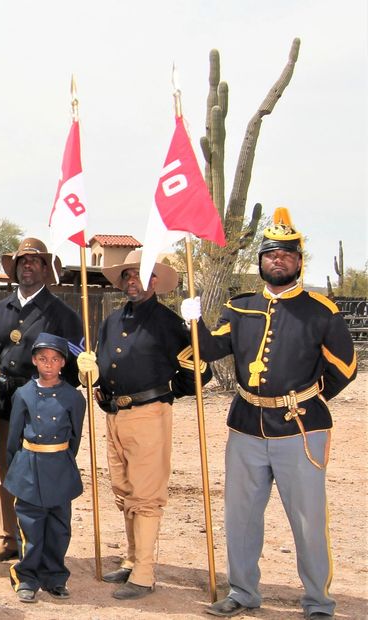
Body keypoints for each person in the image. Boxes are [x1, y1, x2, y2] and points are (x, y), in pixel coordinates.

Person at [182, 208, 357, 620]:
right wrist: (191, 323)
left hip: (300, 429)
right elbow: (209, 350)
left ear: (299, 261)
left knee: (308, 521)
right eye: (270, 254)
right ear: (260, 260)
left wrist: (307, 399)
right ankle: (243, 592)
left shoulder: (321, 311)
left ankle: (318, 602)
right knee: (240, 517)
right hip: (245, 427)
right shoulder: (240, 308)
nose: (277, 260)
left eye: (286, 254)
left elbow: (345, 368)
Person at [75, 251, 211, 600]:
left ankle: (145, 573)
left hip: (150, 415)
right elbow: (107, 362)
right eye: (127, 275)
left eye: (140, 275)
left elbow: (199, 372)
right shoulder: (112, 320)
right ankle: (132, 558)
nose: (132, 281)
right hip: (114, 415)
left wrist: (165, 393)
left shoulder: (169, 324)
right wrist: (96, 380)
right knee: (124, 491)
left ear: (155, 282)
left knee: (146, 496)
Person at [0, 237, 81, 562]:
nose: (28, 265)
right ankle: (8, 537)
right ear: (16, 269)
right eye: (23, 261)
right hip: (6, 405)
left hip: (44, 408)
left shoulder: (62, 315)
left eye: (35, 261)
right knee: (9, 472)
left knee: (41, 475)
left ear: (44, 268)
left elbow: (74, 367)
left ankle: (36, 543)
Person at [3, 333, 85, 604]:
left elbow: (74, 439)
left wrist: (60, 460)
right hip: (30, 467)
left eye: (55, 359)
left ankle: (54, 577)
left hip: (59, 467)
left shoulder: (73, 397)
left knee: (59, 528)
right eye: (42, 359)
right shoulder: (23, 394)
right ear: (34, 361)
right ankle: (26, 577)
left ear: (63, 362)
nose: (48, 364)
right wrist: (20, 469)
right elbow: (13, 439)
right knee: (31, 526)